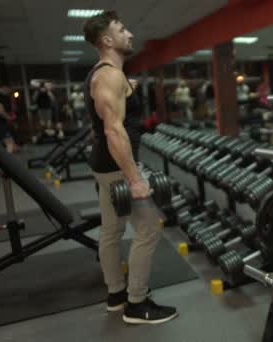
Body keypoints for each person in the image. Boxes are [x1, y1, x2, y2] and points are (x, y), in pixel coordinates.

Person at [83, 10, 177, 324]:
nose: (130, 34)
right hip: (117, 167)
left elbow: (105, 118)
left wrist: (127, 88)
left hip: (104, 164)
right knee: (148, 228)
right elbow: (112, 130)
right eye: (122, 30)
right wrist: (134, 178)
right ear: (107, 40)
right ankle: (137, 303)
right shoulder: (109, 75)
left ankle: (116, 295)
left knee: (111, 229)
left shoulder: (105, 74)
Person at [0, 84, 18, 153]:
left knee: (0, 143)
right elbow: (0, 110)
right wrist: (9, 117)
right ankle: (8, 160)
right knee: (9, 142)